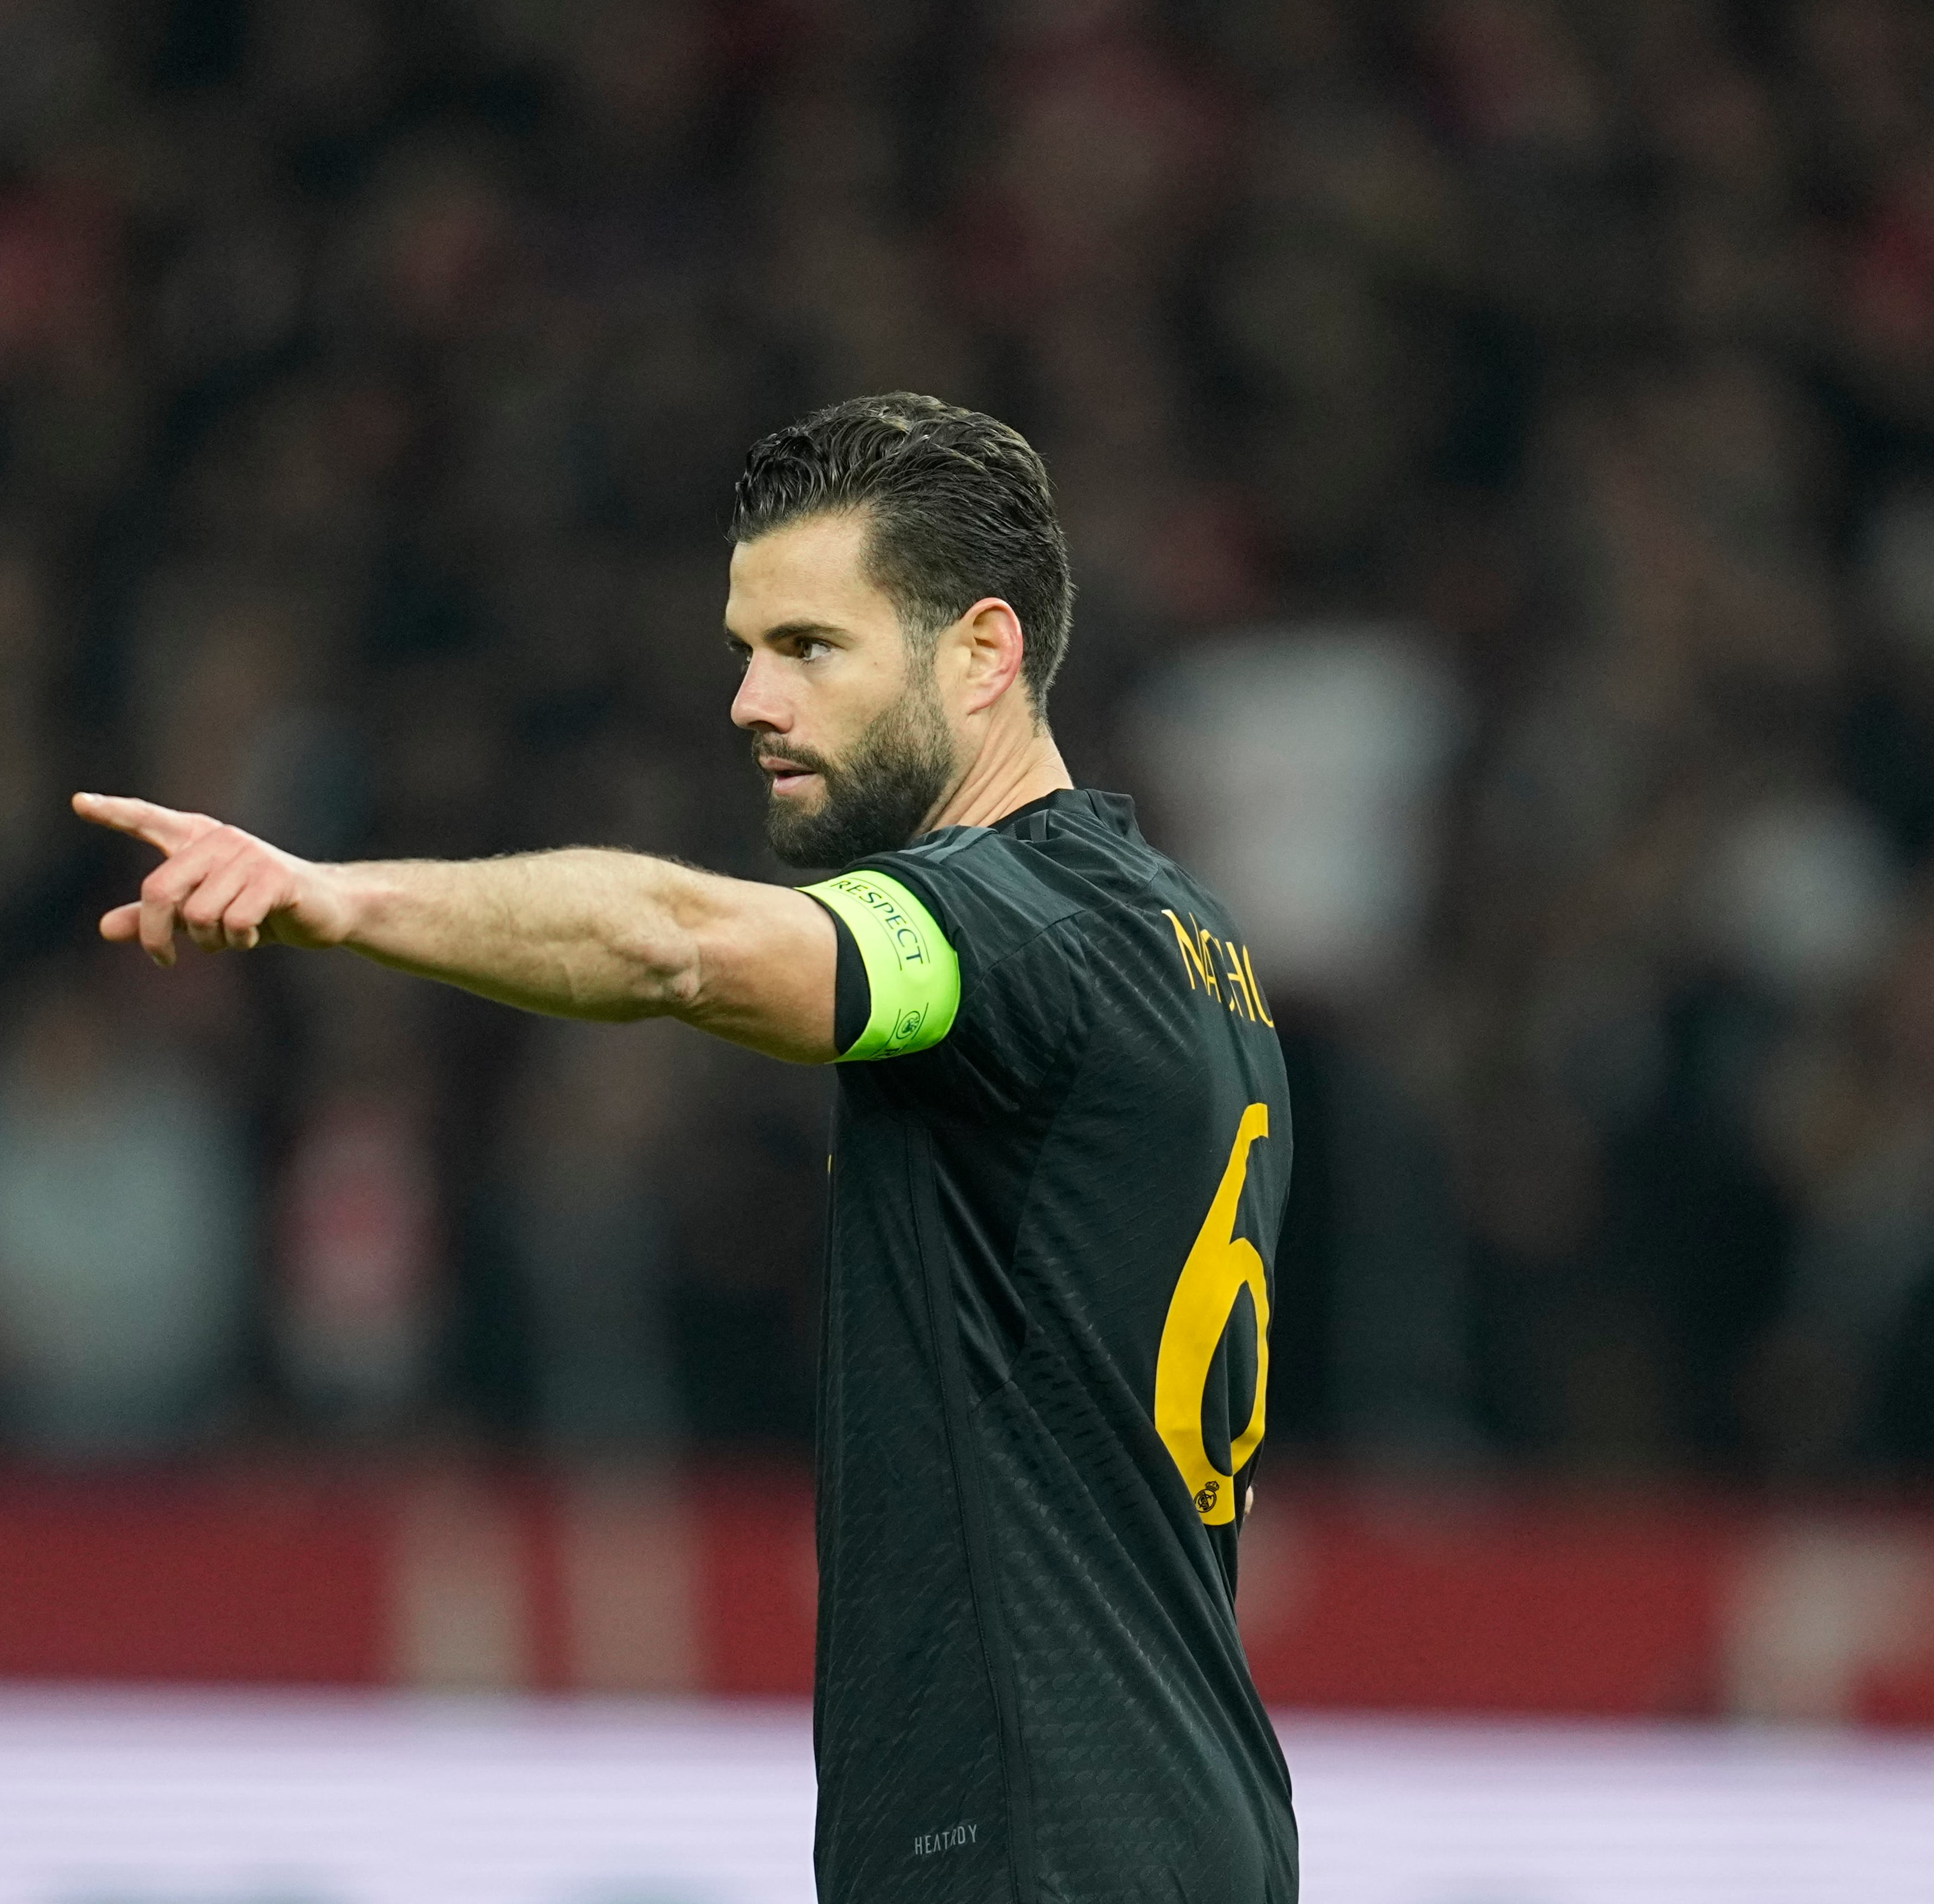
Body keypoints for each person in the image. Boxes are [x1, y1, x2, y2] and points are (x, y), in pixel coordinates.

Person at [77, 393, 1297, 1902]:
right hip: (1174, 1814)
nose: (750, 701)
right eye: (745, 648)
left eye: (809, 647)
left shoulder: (1012, 934)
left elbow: (677, 949)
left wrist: (337, 899)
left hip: (1029, 1831)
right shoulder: (1190, 948)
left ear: (982, 653)